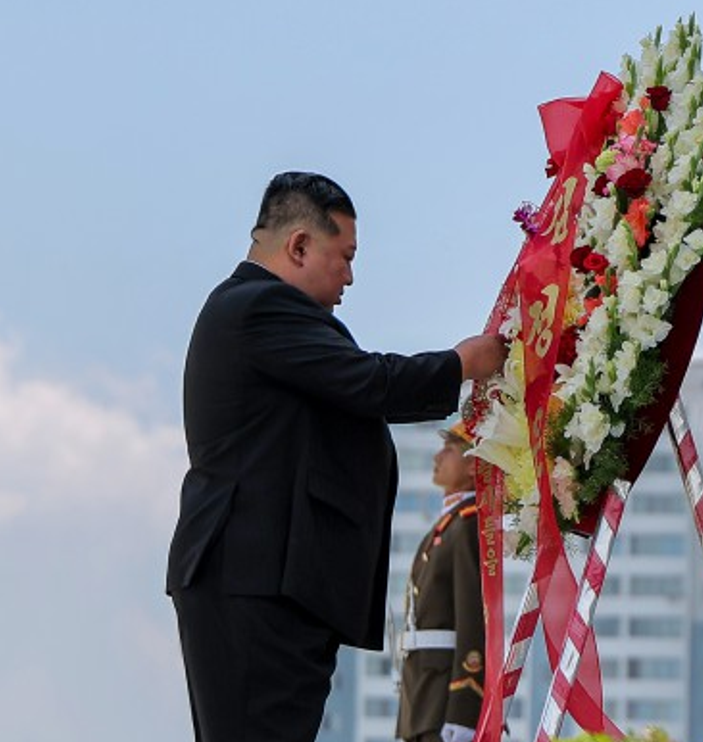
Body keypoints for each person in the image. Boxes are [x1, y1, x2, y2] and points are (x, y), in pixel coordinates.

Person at [165, 171, 508, 741]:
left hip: (270, 579)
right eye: (343, 255)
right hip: (256, 578)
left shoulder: (260, 312)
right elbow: (369, 382)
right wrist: (463, 363)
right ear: (299, 244)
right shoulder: (259, 307)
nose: (350, 275)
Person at [395, 421, 486, 742]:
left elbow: (473, 619)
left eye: (448, 450)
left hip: (442, 700)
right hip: (423, 696)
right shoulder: (449, 526)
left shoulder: (466, 526)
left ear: (475, 464)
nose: (437, 458)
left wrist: (464, 710)